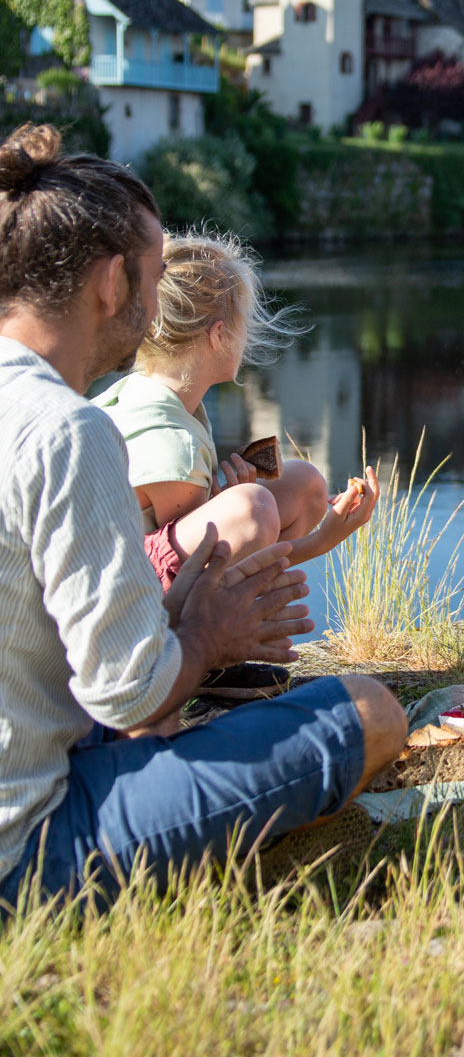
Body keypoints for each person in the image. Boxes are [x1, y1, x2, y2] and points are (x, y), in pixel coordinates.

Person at [0, 123, 407, 908]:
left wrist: (171, 612)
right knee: (369, 711)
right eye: (153, 279)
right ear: (112, 284)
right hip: (28, 849)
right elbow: (130, 694)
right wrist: (208, 635)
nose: (156, 308)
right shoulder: (63, 429)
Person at [94, 232, 379, 699]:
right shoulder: (172, 445)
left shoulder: (151, 393)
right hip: (124, 617)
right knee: (251, 509)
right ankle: (204, 666)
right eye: (243, 323)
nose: (248, 336)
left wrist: (225, 500)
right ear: (219, 335)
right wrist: (324, 538)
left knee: (303, 482)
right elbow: (205, 577)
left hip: (129, 575)